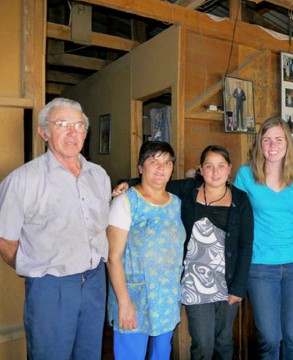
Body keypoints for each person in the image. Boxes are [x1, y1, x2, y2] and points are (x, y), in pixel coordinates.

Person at [112, 145, 254, 359]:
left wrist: (239, 286)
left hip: (221, 281)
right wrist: (126, 183)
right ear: (200, 170)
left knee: (223, 342)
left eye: (221, 166)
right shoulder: (187, 191)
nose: (215, 172)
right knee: (203, 345)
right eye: (209, 166)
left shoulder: (239, 199)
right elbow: (154, 181)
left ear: (229, 169)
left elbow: (245, 245)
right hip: (190, 282)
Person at [0, 97, 111, 359]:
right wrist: (38, 269)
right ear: (44, 132)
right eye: (62, 124)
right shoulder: (22, 181)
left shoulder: (99, 176)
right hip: (50, 287)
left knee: (89, 354)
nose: (73, 132)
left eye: (80, 125)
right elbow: (5, 242)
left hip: (95, 282)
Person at [234, 117, 293, 359]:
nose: (272, 145)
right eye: (267, 139)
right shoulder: (246, 175)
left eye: (279, 139)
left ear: (288, 143)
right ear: (259, 144)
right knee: (270, 337)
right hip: (260, 266)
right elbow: (232, 213)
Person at [107, 141, 186, 360]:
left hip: (166, 298)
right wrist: (124, 304)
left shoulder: (177, 203)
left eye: (167, 162)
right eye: (153, 161)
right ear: (141, 167)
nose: (161, 168)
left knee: (162, 355)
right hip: (134, 297)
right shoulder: (125, 202)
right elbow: (113, 258)